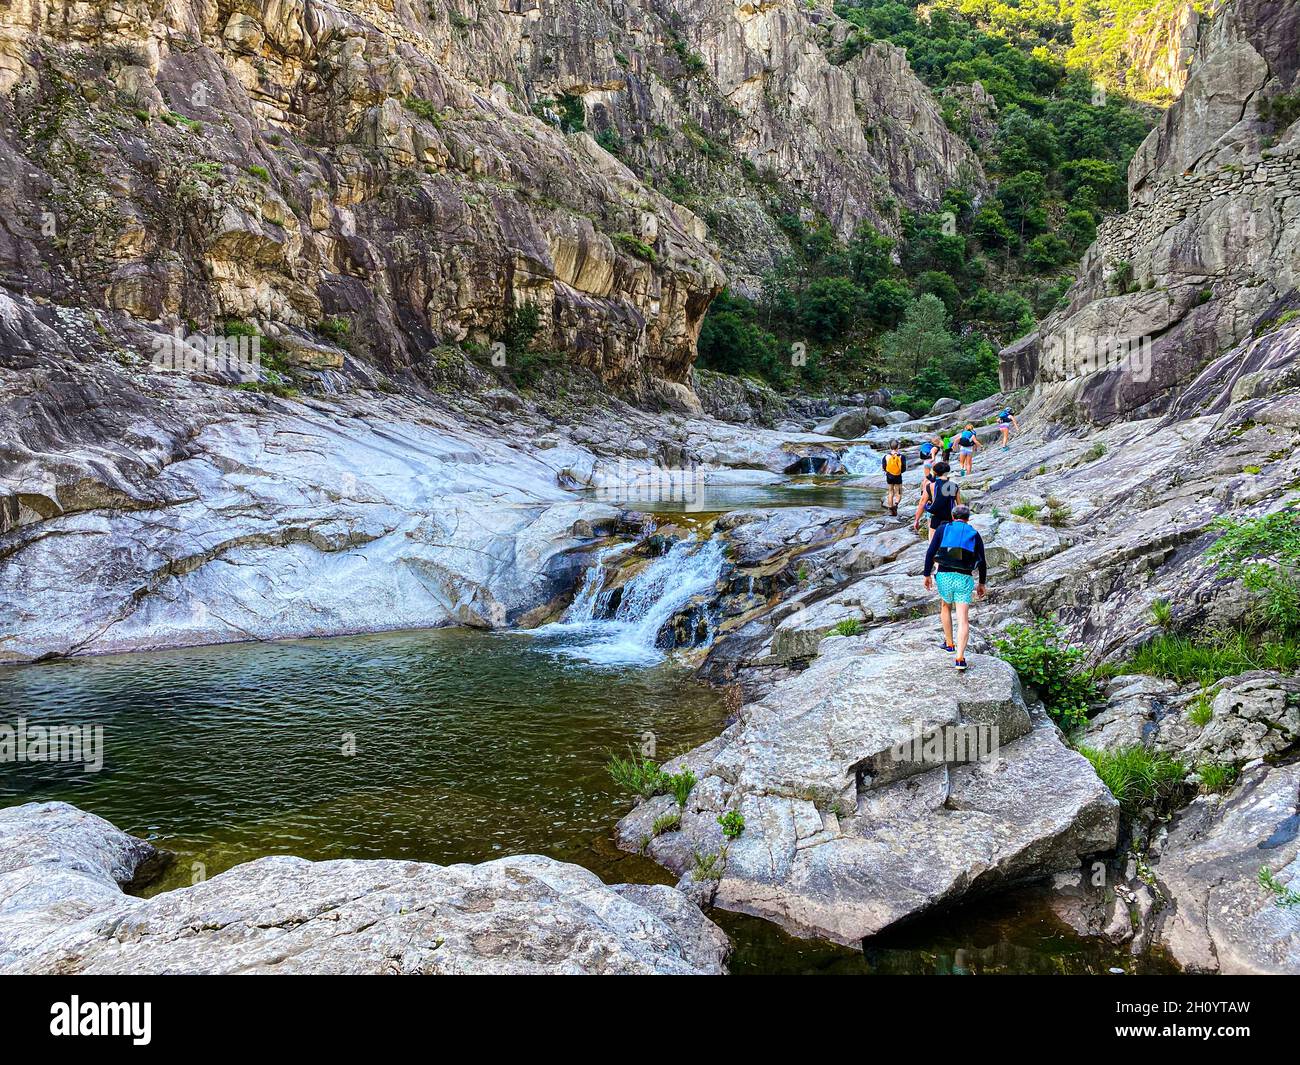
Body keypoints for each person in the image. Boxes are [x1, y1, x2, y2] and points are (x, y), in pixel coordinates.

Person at [923, 504, 987, 671]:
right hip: (964, 578)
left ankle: (949, 643)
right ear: (968, 519)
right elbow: (982, 562)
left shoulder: (943, 528)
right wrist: (982, 583)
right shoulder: (974, 533)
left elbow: (931, 552)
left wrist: (926, 574)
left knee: (945, 606)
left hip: (944, 575)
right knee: (963, 619)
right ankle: (959, 658)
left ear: (953, 516)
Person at [913, 460, 959, 539]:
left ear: (936, 473)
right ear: (947, 472)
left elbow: (922, 503)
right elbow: (959, 505)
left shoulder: (931, 486)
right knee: (947, 542)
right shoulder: (954, 486)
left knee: (933, 542)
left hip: (936, 516)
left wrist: (916, 520)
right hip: (950, 517)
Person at [881, 439, 906, 517]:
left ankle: (890, 509)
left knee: (890, 492)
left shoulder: (886, 456)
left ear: (890, 447)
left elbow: (884, 468)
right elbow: (904, 468)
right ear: (898, 446)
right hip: (898, 476)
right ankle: (896, 505)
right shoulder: (901, 456)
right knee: (898, 493)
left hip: (889, 476)